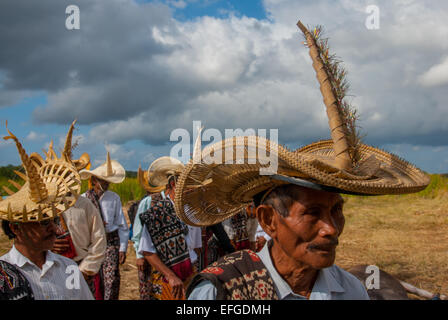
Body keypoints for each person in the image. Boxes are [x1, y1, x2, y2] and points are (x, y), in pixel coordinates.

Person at [173, 22, 430, 300]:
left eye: (336, 211)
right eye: (312, 213)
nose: (331, 228)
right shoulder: (220, 291)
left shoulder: (351, 291)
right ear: (269, 220)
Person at [0, 127, 93, 300]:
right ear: (16, 228)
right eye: (43, 222)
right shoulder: (3, 275)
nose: (55, 230)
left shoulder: (69, 269)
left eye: (54, 220)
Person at [30, 121, 107, 298]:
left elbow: (99, 240)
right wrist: (48, 246)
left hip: (82, 268)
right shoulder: (41, 207)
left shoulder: (85, 204)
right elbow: (28, 241)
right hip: (49, 271)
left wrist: (85, 270)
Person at [137, 156, 194, 300]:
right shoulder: (157, 212)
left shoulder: (189, 211)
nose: (190, 190)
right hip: (167, 280)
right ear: (174, 184)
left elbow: (196, 248)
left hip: (189, 274)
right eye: (186, 185)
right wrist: (170, 275)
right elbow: (147, 250)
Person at [79, 152, 128, 300]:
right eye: (103, 181)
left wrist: (123, 248)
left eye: (108, 181)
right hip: (90, 244)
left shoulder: (114, 198)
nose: (107, 184)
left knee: (111, 280)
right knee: (91, 278)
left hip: (110, 243)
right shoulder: (83, 199)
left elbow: (122, 224)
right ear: (94, 180)